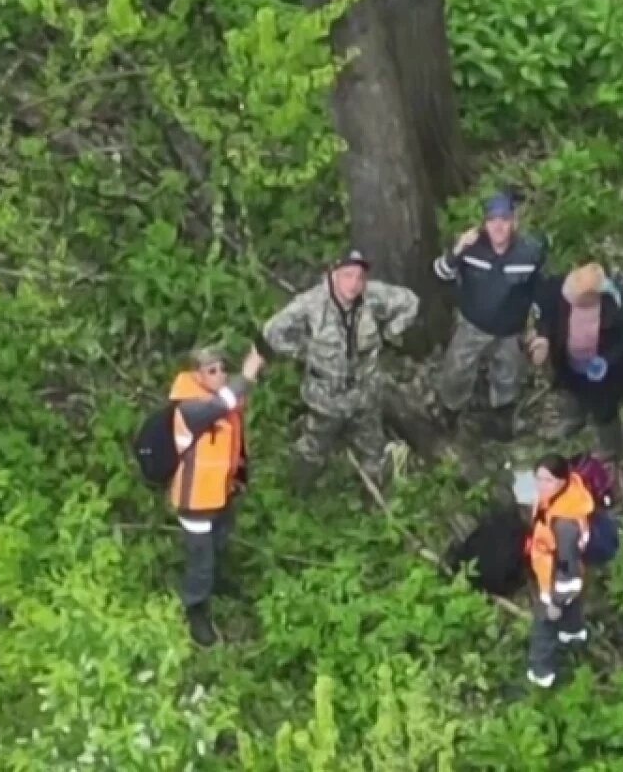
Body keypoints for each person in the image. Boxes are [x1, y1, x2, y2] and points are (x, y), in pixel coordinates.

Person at [257, 249, 420, 492]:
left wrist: (391, 333)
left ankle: (372, 500)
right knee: (313, 448)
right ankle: (298, 495)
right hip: (326, 398)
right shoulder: (312, 304)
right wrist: (302, 351)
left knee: (373, 449)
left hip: (365, 395)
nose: (354, 284)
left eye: (359, 277)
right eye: (347, 276)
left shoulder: (373, 296)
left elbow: (410, 302)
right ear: (333, 275)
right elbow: (273, 331)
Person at [168, 345, 264, 647]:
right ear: (196, 375)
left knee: (219, 543)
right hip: (195, 500)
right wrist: (251, 367)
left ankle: (216, 581)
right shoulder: (190, 408)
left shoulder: (215, 400)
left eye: (223, 369)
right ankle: (195, 609)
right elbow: (226, 402)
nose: (221, 375)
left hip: (220, 493)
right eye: (212, 371)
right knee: (200, 559)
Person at [432, 193, 547, 441]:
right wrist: (457, 250)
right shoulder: (471, 247)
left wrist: (540, 332)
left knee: (509, 375)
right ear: (484, 223)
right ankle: (449, 414)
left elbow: (541, 294)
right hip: (472, 325)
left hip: (510, 330)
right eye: (492, 219)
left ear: (514, 222)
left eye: (504, 219)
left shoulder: (530, 253)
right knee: (456, 370)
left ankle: (501, 419)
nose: (498, 226)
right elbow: (441, 273)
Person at [527, 263, 623, 469]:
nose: (567, 297)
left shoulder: (620, 310)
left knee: (604, 410)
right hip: (568, 362)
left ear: (593, 296)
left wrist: (607, 360)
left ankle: (612, 448)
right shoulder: (560, 289)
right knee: (572, 391)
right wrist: (543, 338)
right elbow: (545, 311)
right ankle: (575, 418)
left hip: (605, 374)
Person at [525, 454, 595, 689]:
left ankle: (541, 672)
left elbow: (566, 566)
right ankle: (573, 634)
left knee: (544, 625)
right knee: (572, 607)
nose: (541, 486)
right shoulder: (561, 497)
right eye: (539, 479)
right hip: (562, 570)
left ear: (563, 481)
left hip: (558, 578)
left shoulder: (565, 526)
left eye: (548, 481)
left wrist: (555, 600)